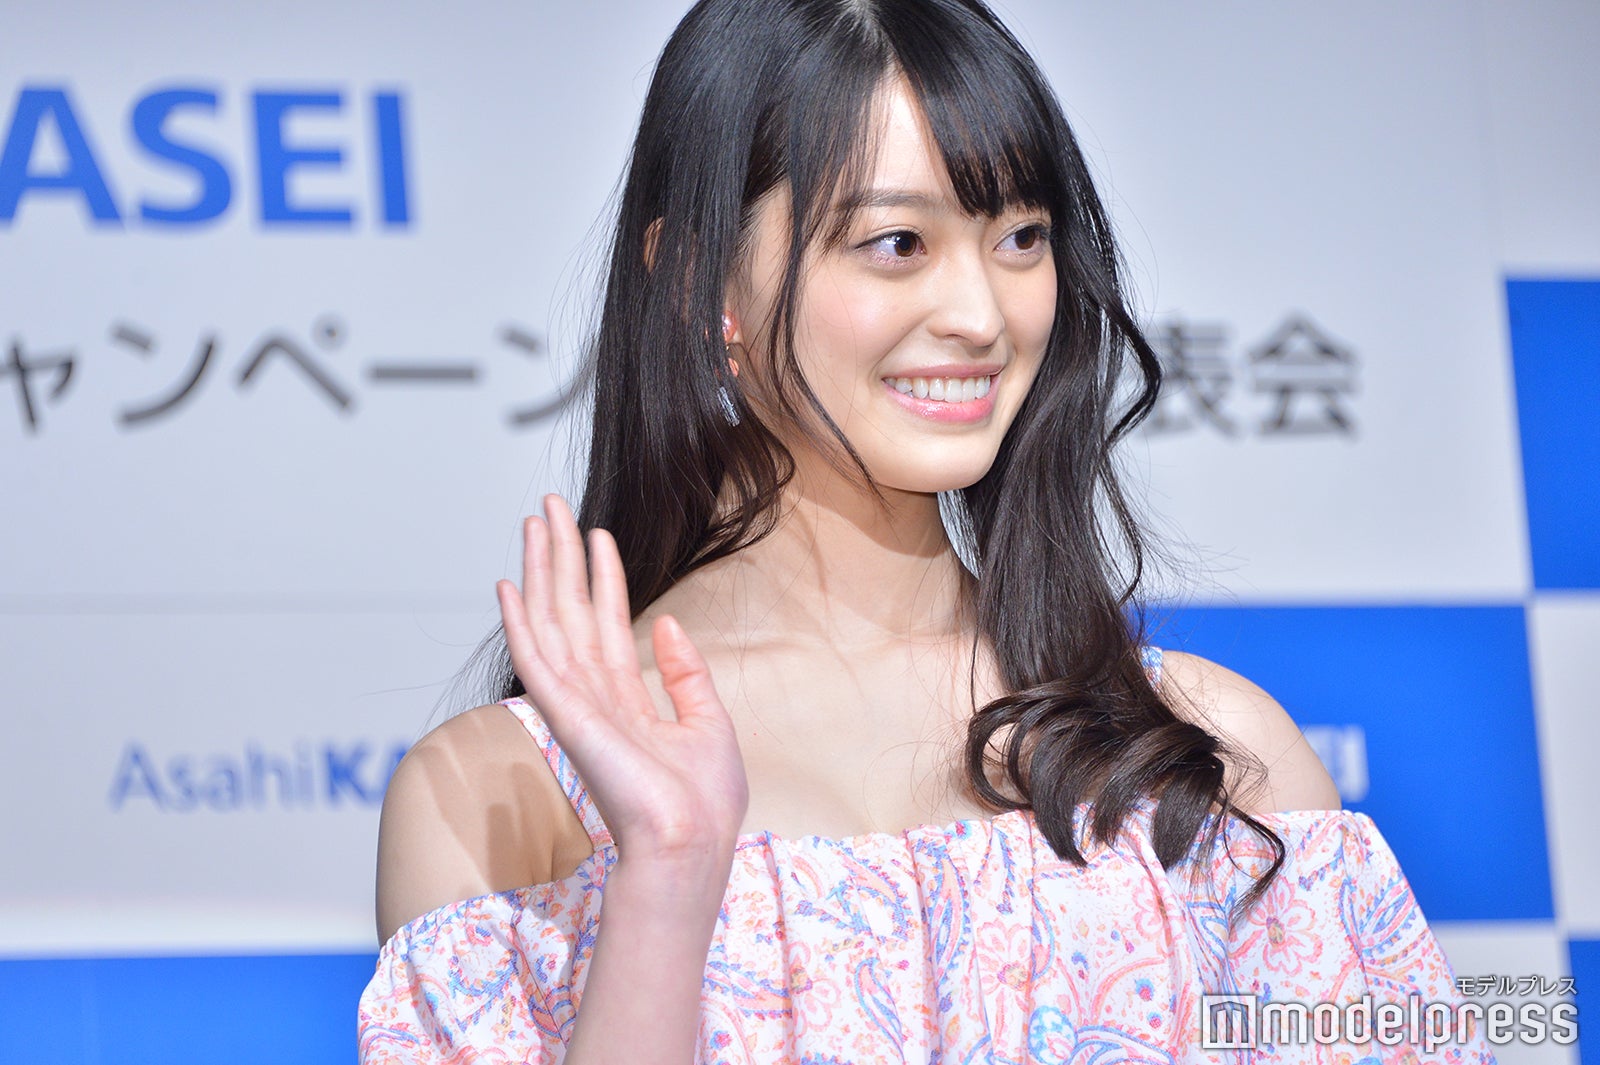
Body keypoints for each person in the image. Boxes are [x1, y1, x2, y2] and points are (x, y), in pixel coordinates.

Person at [359, 1, 1494, 1062]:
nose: (983, 315)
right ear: (702, 282)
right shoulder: (498, 798)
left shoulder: (1210, 756)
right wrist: (665, 872)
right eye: (898, 243)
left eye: (1020, 236)